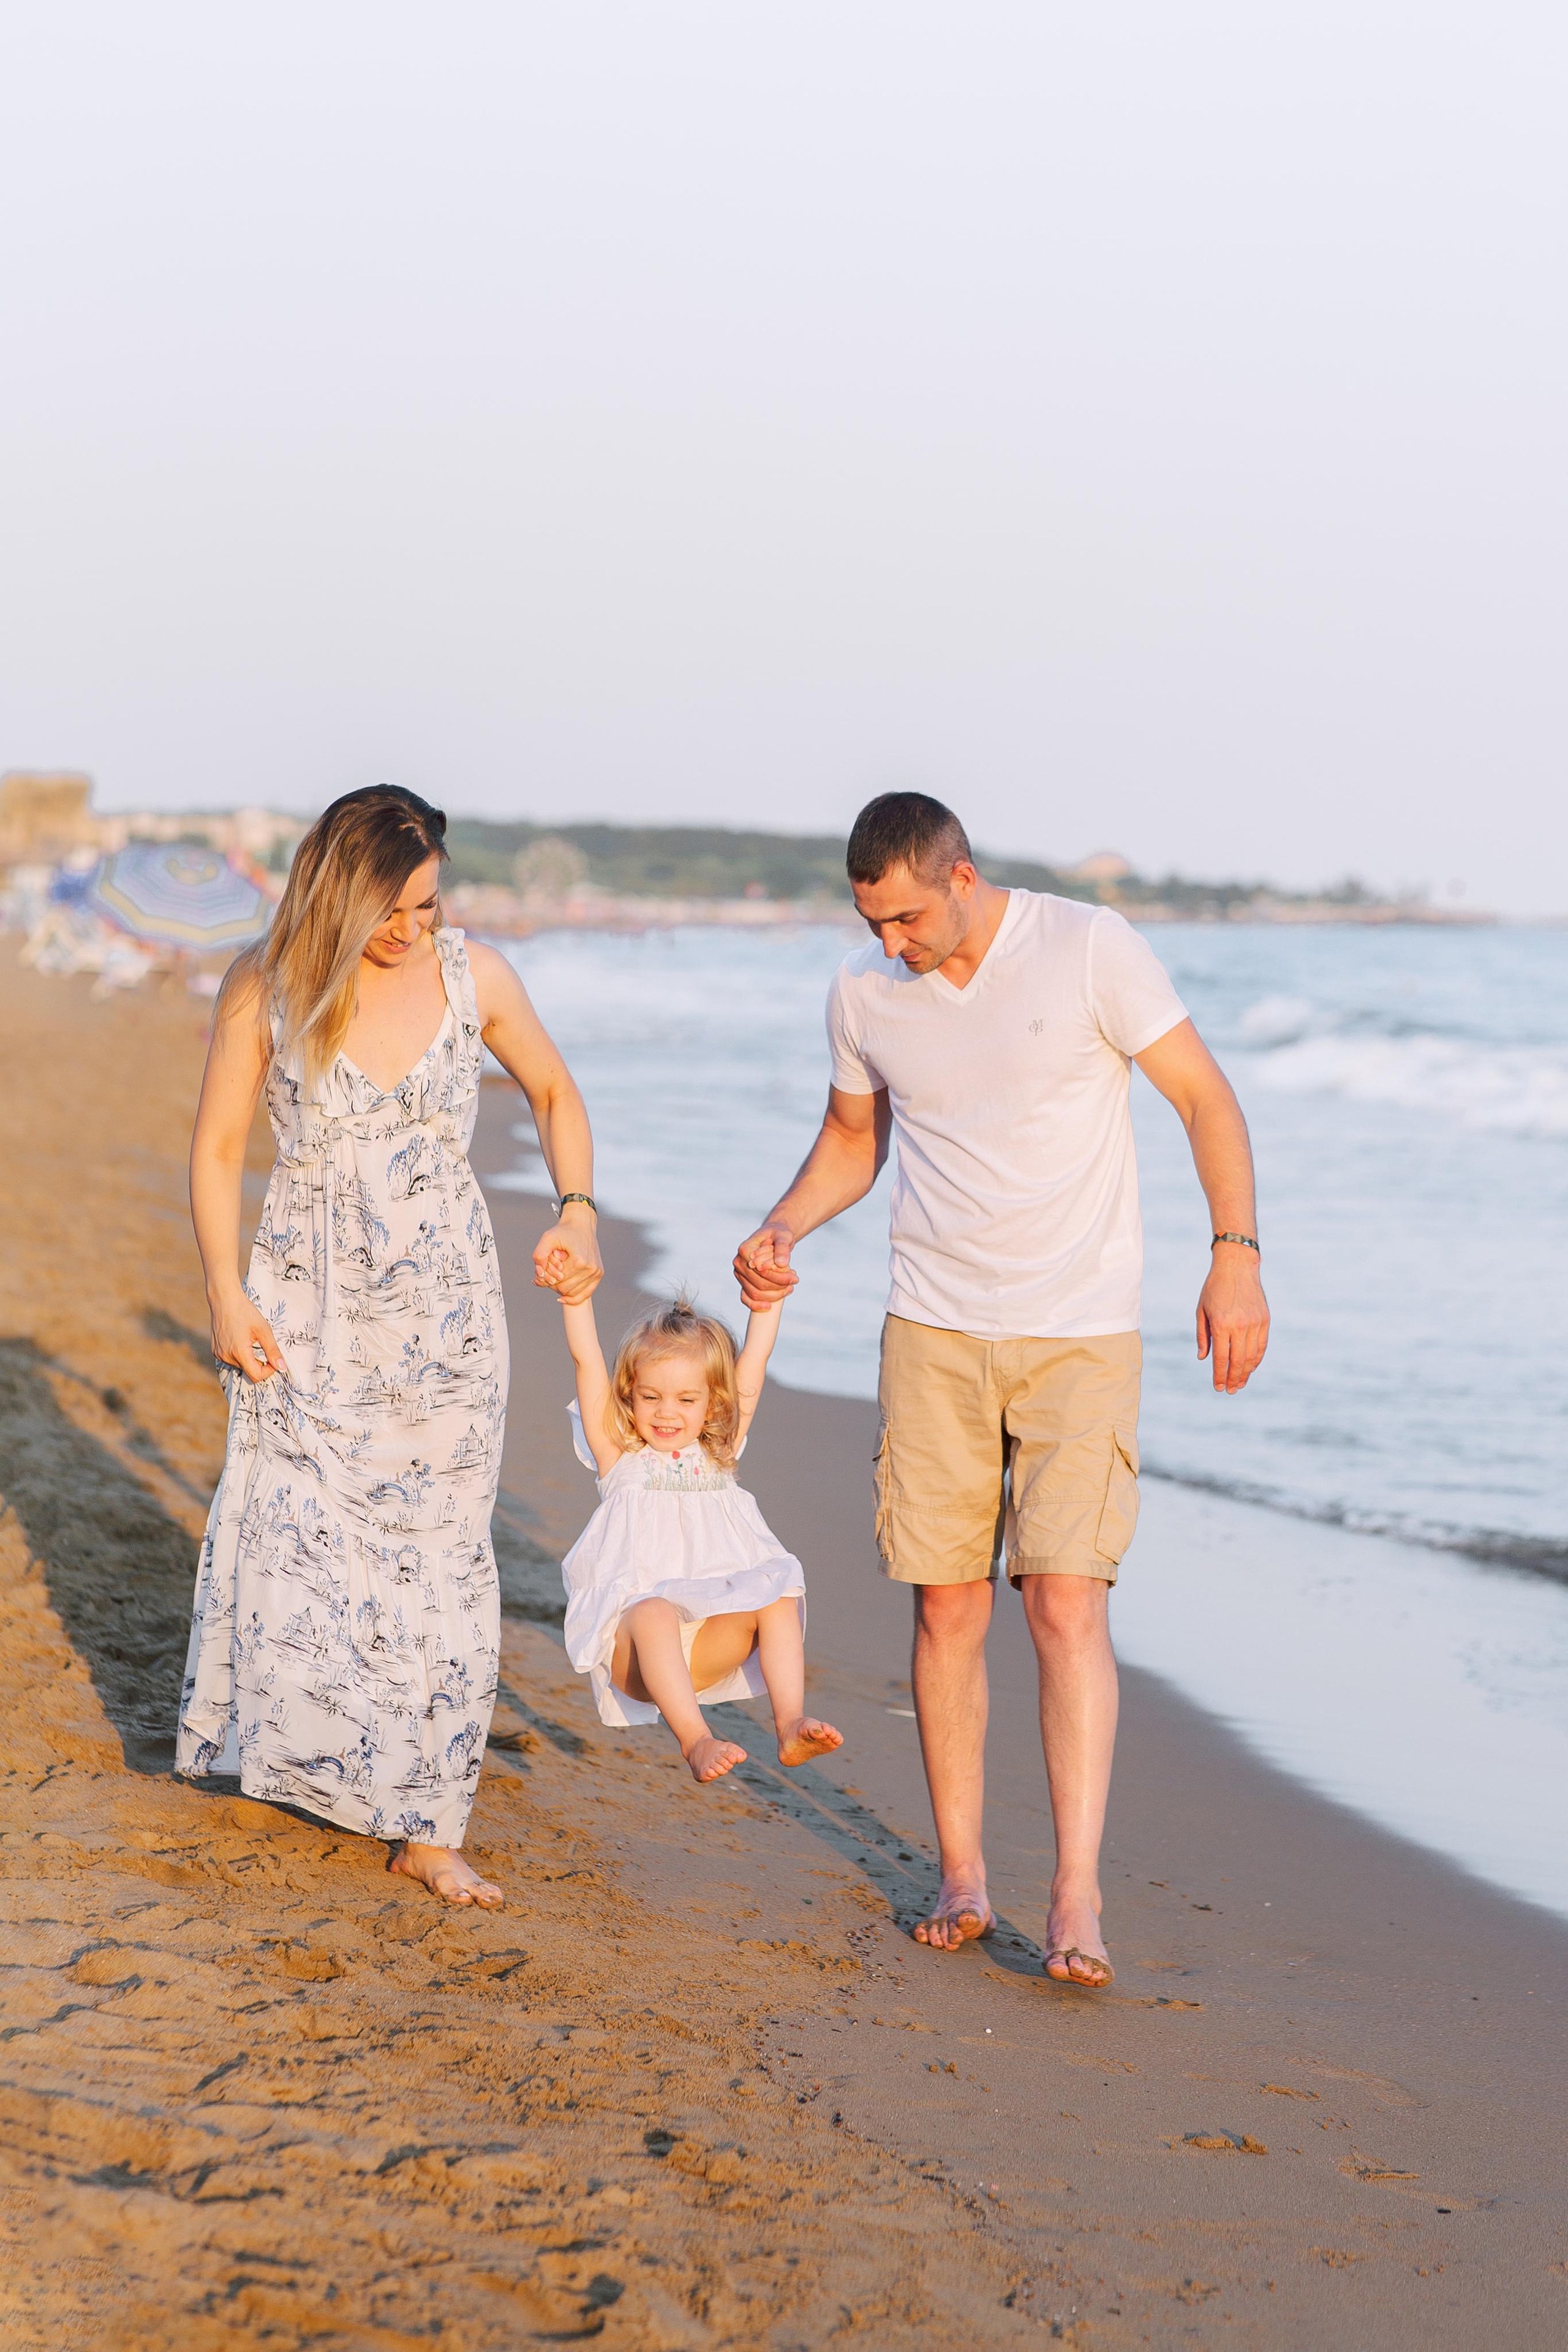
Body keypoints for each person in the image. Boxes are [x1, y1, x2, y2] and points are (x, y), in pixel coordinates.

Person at [734, 792, 1268, 1988]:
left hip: (1079, 1334)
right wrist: (781, 1222)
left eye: (907, 919)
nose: (889, 945)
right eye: (871, 923)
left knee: (1066, 1606)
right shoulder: (863, 996)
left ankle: (1074, 1892)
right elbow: (849, 1143)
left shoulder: (1088, 949)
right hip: (931, 1329)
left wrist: (1233, 1258)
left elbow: (1202, 1097)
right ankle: (961, 1872)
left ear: (961, 877)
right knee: (946, 1612)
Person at [176, 784, 603, 1908]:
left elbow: (556, 1091)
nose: (418, 929)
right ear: (343, 889)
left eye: (430, 903)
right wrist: (226, 1293)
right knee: (305, 1533)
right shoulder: (266, 987)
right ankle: (314, 1759)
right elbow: (219, 1151)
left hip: (447, 1314)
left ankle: (428, 1820)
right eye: (399, 909)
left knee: (443, 1557)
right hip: (306, 1304)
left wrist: (577, 1207)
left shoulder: (475, 977)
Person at [556, 1291, 842, 1782]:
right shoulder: (620, 1460)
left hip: (706, 1647)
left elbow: (754, 1361)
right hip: (640, 1653)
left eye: (687, 1400)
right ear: (628, 1393)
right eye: (651, 1397)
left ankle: (790, 1721)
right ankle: (696, 1739)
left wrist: (768, 1301)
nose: (667, 1413)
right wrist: (576, 1297)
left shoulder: (720, 1454)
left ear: (713, 1404)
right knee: (652, 1610)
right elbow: (587, 1360)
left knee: (777, 1589)